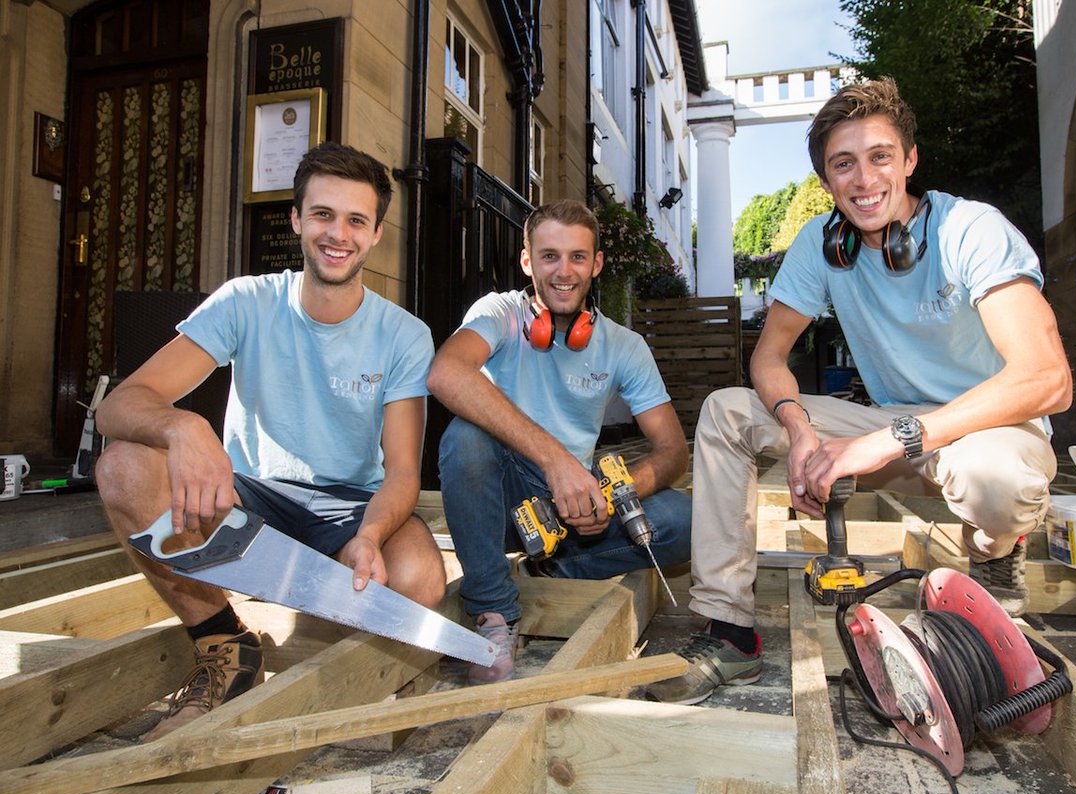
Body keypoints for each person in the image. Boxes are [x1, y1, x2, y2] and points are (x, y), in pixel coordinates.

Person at [645, 77, 1072, 705]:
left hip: (990, 425)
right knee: (726, 411)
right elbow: (768, 356)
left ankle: (994, 549)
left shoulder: (970, 229)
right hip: (894, 427)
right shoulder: (822, 245)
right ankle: (729, 630)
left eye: (880, 156)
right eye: (844, 164)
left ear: (910, 160)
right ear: (827, 181)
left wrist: (888, 439)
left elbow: (1047, 378)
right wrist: (800, 432)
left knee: (999, 480)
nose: (864, 179)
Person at [95, 141, 445, 739]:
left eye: (356, 220)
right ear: (296, 219)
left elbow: (403, 472)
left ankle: (358, 664)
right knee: (123, 467)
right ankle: (225, 645)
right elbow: (119, 406)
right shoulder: (247, 301)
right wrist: (184, 426)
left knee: (420, 577)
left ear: (376, 234)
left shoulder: (404, 335)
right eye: (323, 214)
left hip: (347, 506)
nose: (338, 234)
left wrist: (368, 537)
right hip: (249, 496)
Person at [426, 199, 692, 685]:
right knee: (466, 437)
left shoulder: (625, 346)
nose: (564, 271)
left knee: (683, 520)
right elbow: (446, 372)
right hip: (500, 501)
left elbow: (673, 451)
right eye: (549, 256)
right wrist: (556, 461)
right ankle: (493, 611)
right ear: (527, 261)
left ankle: (551, 569)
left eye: (577, 257)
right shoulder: (500, 313)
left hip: (574, 509)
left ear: (597, 264)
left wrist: (609, 496)